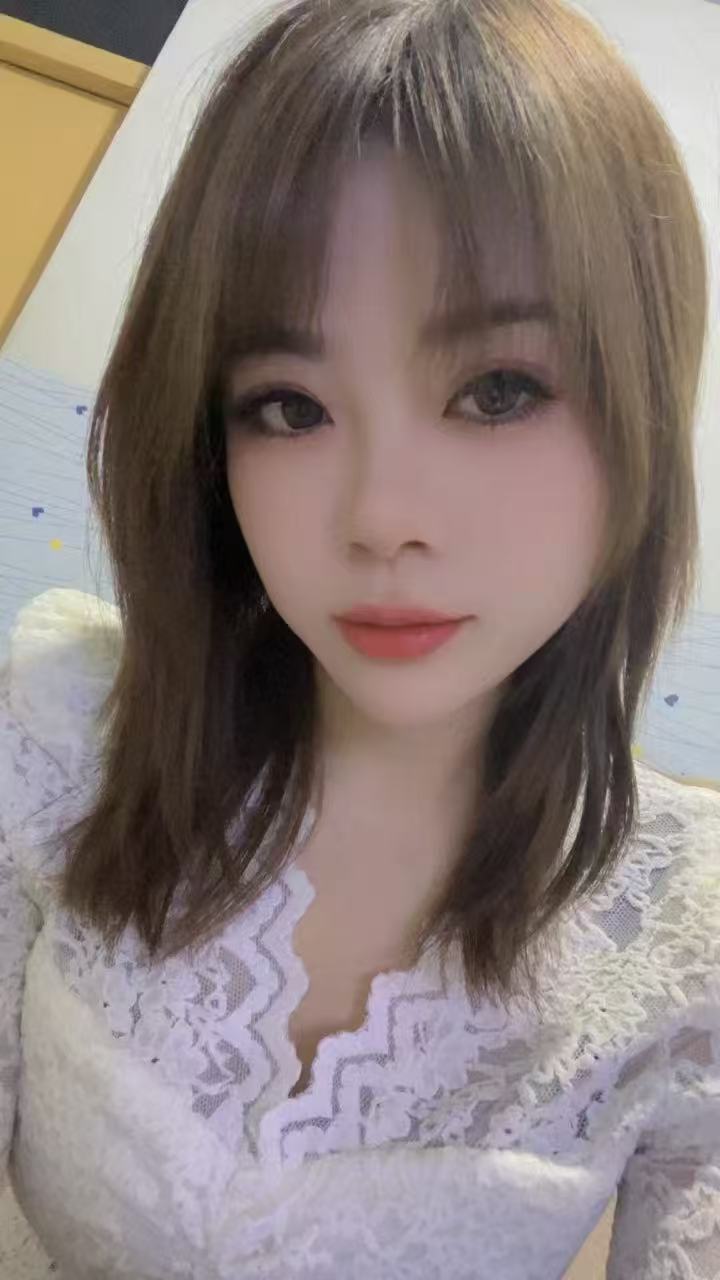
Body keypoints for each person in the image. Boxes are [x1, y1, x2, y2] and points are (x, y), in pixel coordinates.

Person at [1, 0, 718, 1276]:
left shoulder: (686, 939)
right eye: (288, 405)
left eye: (498, 389)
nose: (381, 516)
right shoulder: (54, 735)